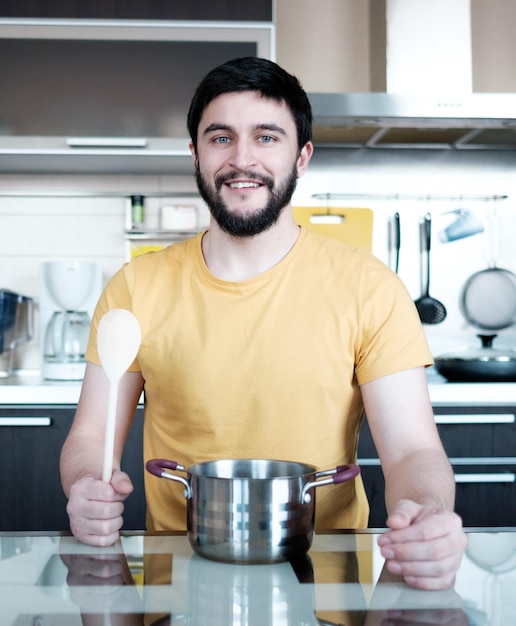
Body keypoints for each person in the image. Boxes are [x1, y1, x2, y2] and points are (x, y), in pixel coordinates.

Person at [60, 56, 467, 590]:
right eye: (221, 138)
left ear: (302, 158)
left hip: (329, 580)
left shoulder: (369, 287)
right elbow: (91, 434)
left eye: (267, 138)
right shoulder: (136, 285)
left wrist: (428, 514)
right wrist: (87, 485)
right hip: (180, 578)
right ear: (195, 154)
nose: (242, 159)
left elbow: (414, 448)